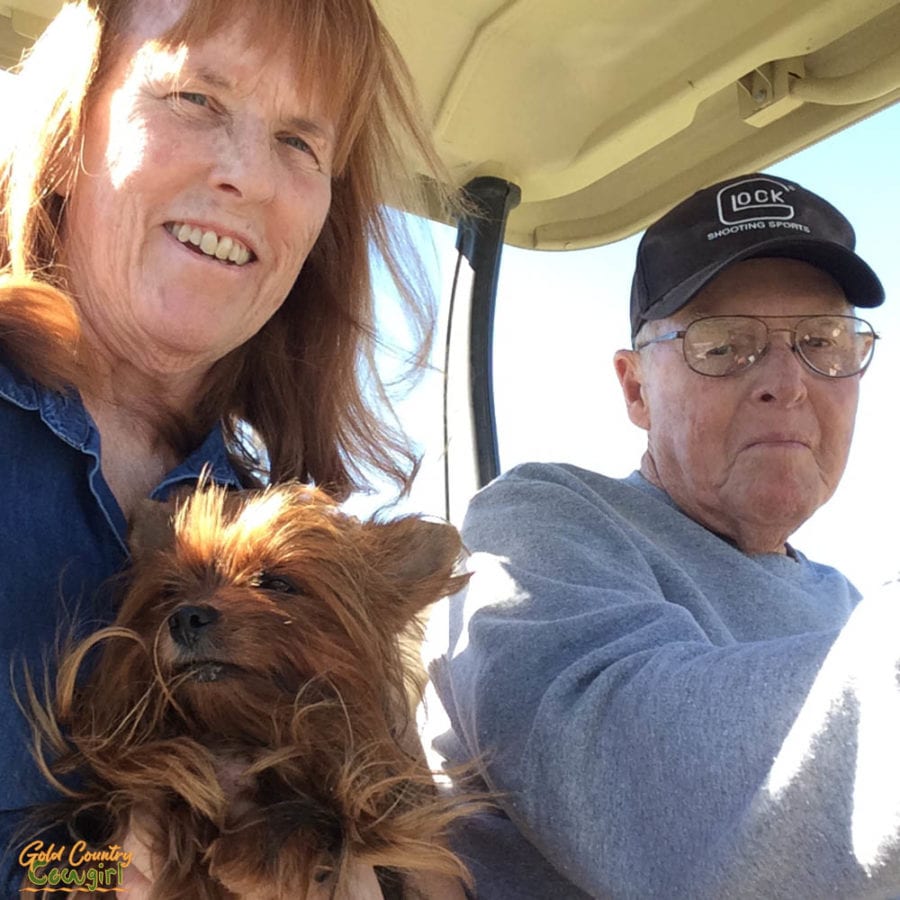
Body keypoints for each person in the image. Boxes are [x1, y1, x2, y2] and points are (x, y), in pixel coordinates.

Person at [0, 0, 456, 895]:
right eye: (196, 99)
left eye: (299, 141)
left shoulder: (282, 519)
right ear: (67, 129)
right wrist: (95, 875)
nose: (245, 174)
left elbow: (415, 853)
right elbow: (75, 871)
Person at [428, 173, 900, 898]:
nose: (788, 381)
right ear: (636, 389)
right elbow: (632, 775)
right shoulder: (544, 521)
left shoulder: (844, 602)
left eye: (823, 342)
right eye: (725, 345)